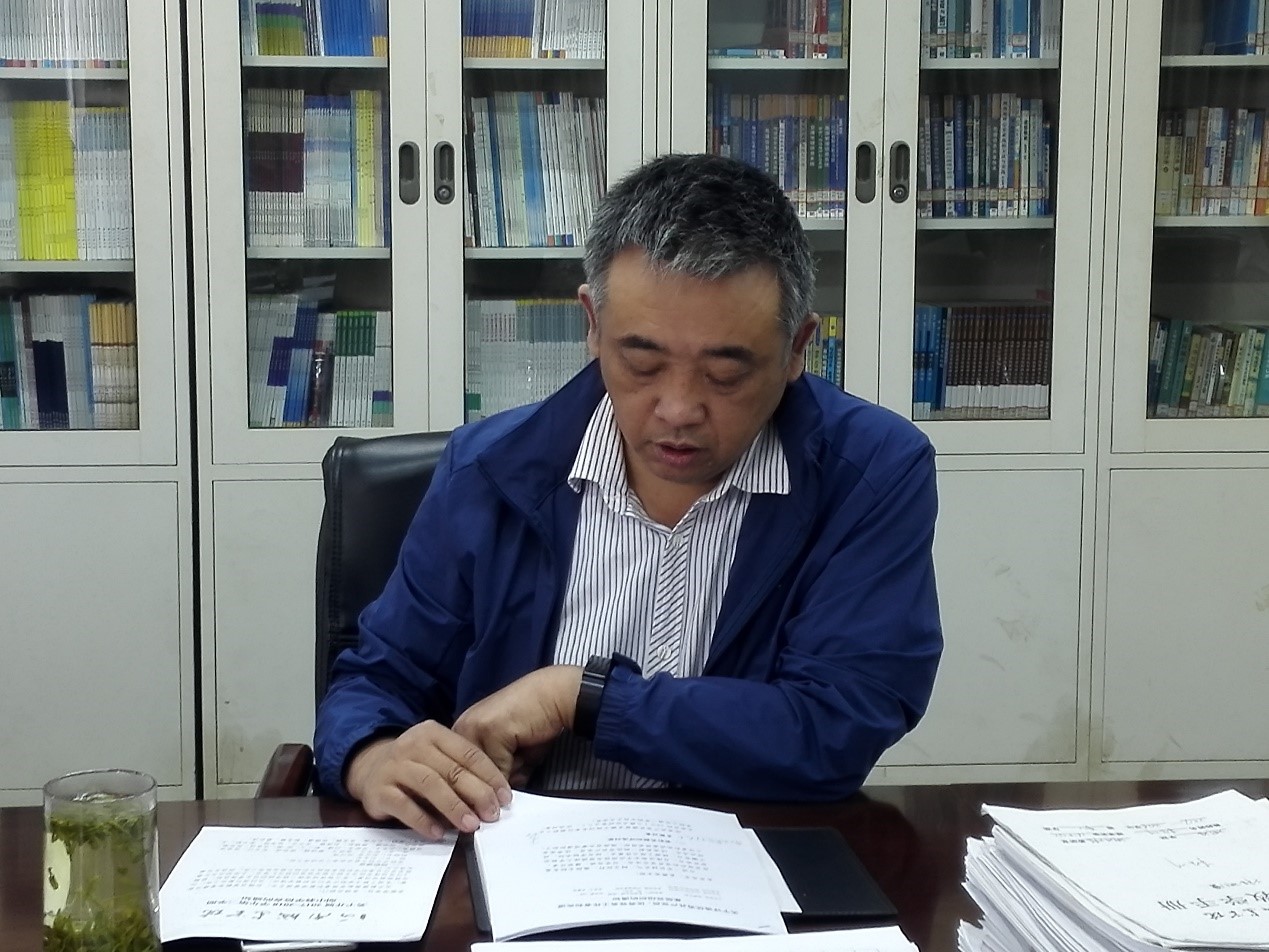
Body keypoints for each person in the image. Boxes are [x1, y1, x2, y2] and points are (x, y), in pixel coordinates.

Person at [314, 152, 942, 840]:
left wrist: (582, 698)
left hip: (751, 853)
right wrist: (372, 755)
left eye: (725, 375)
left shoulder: (870, 473)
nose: (678, 410)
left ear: (796, 348)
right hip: (516, 851)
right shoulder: (487, 468)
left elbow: (836, 725)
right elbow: (378, 679)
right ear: (591, 323)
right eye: (642, 363)